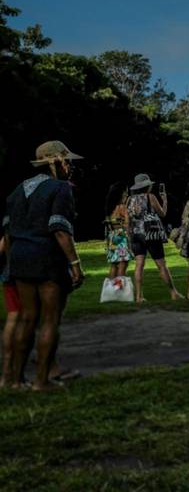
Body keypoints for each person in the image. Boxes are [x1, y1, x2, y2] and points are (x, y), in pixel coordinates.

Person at [4, 140, 85, 391]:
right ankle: (42, 381)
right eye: (67, 160)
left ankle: (16, 380)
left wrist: (10, 265)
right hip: (46, 257)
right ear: (55, 161)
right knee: (50, 320)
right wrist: (75, 263)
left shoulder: (17, 190)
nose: (70, 165)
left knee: (27, 318)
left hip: (19, 257)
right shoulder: (60, 188)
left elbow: (8, 233)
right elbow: (60, 228)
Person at [127, 173, 181, 304]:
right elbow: (162, 213)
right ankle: (173, 293)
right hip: (151, 235)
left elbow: (127, 222)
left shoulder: (129, 200)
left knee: (139, 265)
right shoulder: (150, 197)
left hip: (136, 235)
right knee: (161, 265)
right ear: (147, 186)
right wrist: (165, 200)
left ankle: (139, 296)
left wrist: (129, 239)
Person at [0, 233, 19, 387]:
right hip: (22, 270)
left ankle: (7, 372)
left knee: (13, 315)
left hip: (9, 271)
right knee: (22, 317)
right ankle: (12, 374)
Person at [104, 182, 132, 280]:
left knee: (114, 266)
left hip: (112, 238)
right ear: (121, 194)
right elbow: (127, 225)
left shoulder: (110, 208)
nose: (127, 194)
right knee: (122, 265)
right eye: (126, 192)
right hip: (122, 239)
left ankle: (111, 289)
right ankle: (120, 290)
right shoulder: (122, 208)